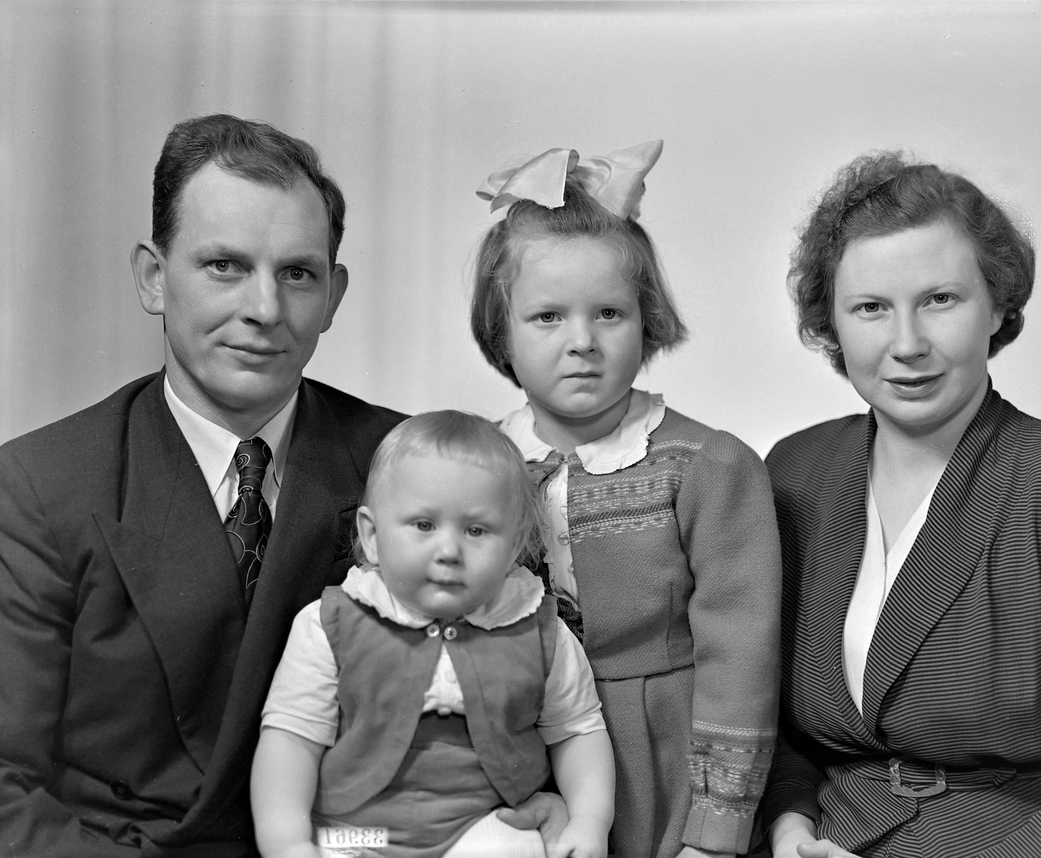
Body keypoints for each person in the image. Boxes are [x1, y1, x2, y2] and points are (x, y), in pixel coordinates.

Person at [0, 114, 557, 858]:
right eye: (224, 265)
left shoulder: (414, 469)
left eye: (297, 273)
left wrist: (545, 794)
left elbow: (517, 669)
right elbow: (7, 791)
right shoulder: (41, 485)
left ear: (334, 294)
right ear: (154, 278)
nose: (264, 310)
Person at [760, 151, 1041, 858]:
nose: (907, 345)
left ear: (997, 303)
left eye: (940, 299)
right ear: (830, 323)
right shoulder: (796, 469)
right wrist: (788, 828)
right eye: (871, 308)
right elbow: (771, 721)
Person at [470, 142, 783, 858]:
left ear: (647, 320)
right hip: (516, 757)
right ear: (501, 331)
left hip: (663, 762)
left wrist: (716, 829)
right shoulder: (474, 464)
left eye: (608, 314)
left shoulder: (706, 464)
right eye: (547, 317)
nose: (581, 342)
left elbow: (741, 654)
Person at [251, 411, 615, 858]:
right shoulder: (331, 624)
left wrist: (589, 820)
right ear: (372, 535)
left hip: (480, 824)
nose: (448, 551)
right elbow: (291, 739)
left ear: (515, 545)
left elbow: (577, 732)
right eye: (424, 525)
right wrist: (286, 842)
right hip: (356, 831)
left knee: (512, 851)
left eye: (476, 530)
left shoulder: (541, 630)